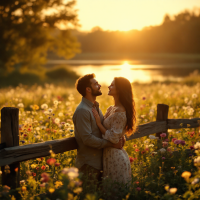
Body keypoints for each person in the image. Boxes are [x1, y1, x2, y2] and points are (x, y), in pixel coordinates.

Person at [73, 74, 125, 184]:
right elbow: (87, 139)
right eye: (96, 84)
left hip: (101, 162)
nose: (100, 85)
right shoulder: (83, 111)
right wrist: (111, 144)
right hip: (89, 164)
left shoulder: (94, 107)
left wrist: (120, 136)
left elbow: (106, 127)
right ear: (88, 89)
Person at [92, 77, 137, 185]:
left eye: (112, 85)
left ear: (120, 90)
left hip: (116, 159)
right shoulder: (112, 108)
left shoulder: (120, 111)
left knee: (115, 192)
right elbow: (117, 131)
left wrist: (98, 123)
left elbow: (113, 137)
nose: (109, 86)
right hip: (110, 155)